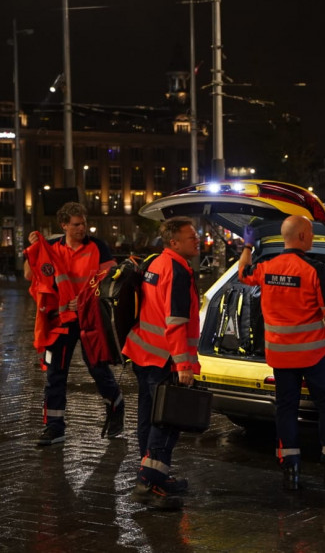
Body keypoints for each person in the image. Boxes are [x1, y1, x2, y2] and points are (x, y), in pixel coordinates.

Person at [238, 215, 325, 491]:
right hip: (314, 355)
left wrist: (247, 246)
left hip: (280, 356)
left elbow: (243, 274)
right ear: (304, 236)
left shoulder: (267, 266)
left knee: (286, 409)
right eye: (311, 234)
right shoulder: (315, 270)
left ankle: (291, 470)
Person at [24, 201, 124, 446]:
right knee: (55, 374)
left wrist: (83, 300)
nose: (83, 229)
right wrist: (34, 249)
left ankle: (116, 407)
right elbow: (29, 274)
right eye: (77, 225)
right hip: (62, 320)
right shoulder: (50, 248)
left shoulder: (98, 246)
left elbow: (110, 281)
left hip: (91, 318)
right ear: (64, 225)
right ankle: (54, 428)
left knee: (98, 369)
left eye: (84, 224)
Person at [123, 216, 202, 510]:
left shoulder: (155, 263)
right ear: (174, 242)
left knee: (148, 416)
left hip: (143, 353)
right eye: (191, 236)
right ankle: (149, 483)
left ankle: (153, 474)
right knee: (167, 421)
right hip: (165, 359)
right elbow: (176, 323)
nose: (197, 240)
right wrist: (184, 366)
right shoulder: (179, 271)